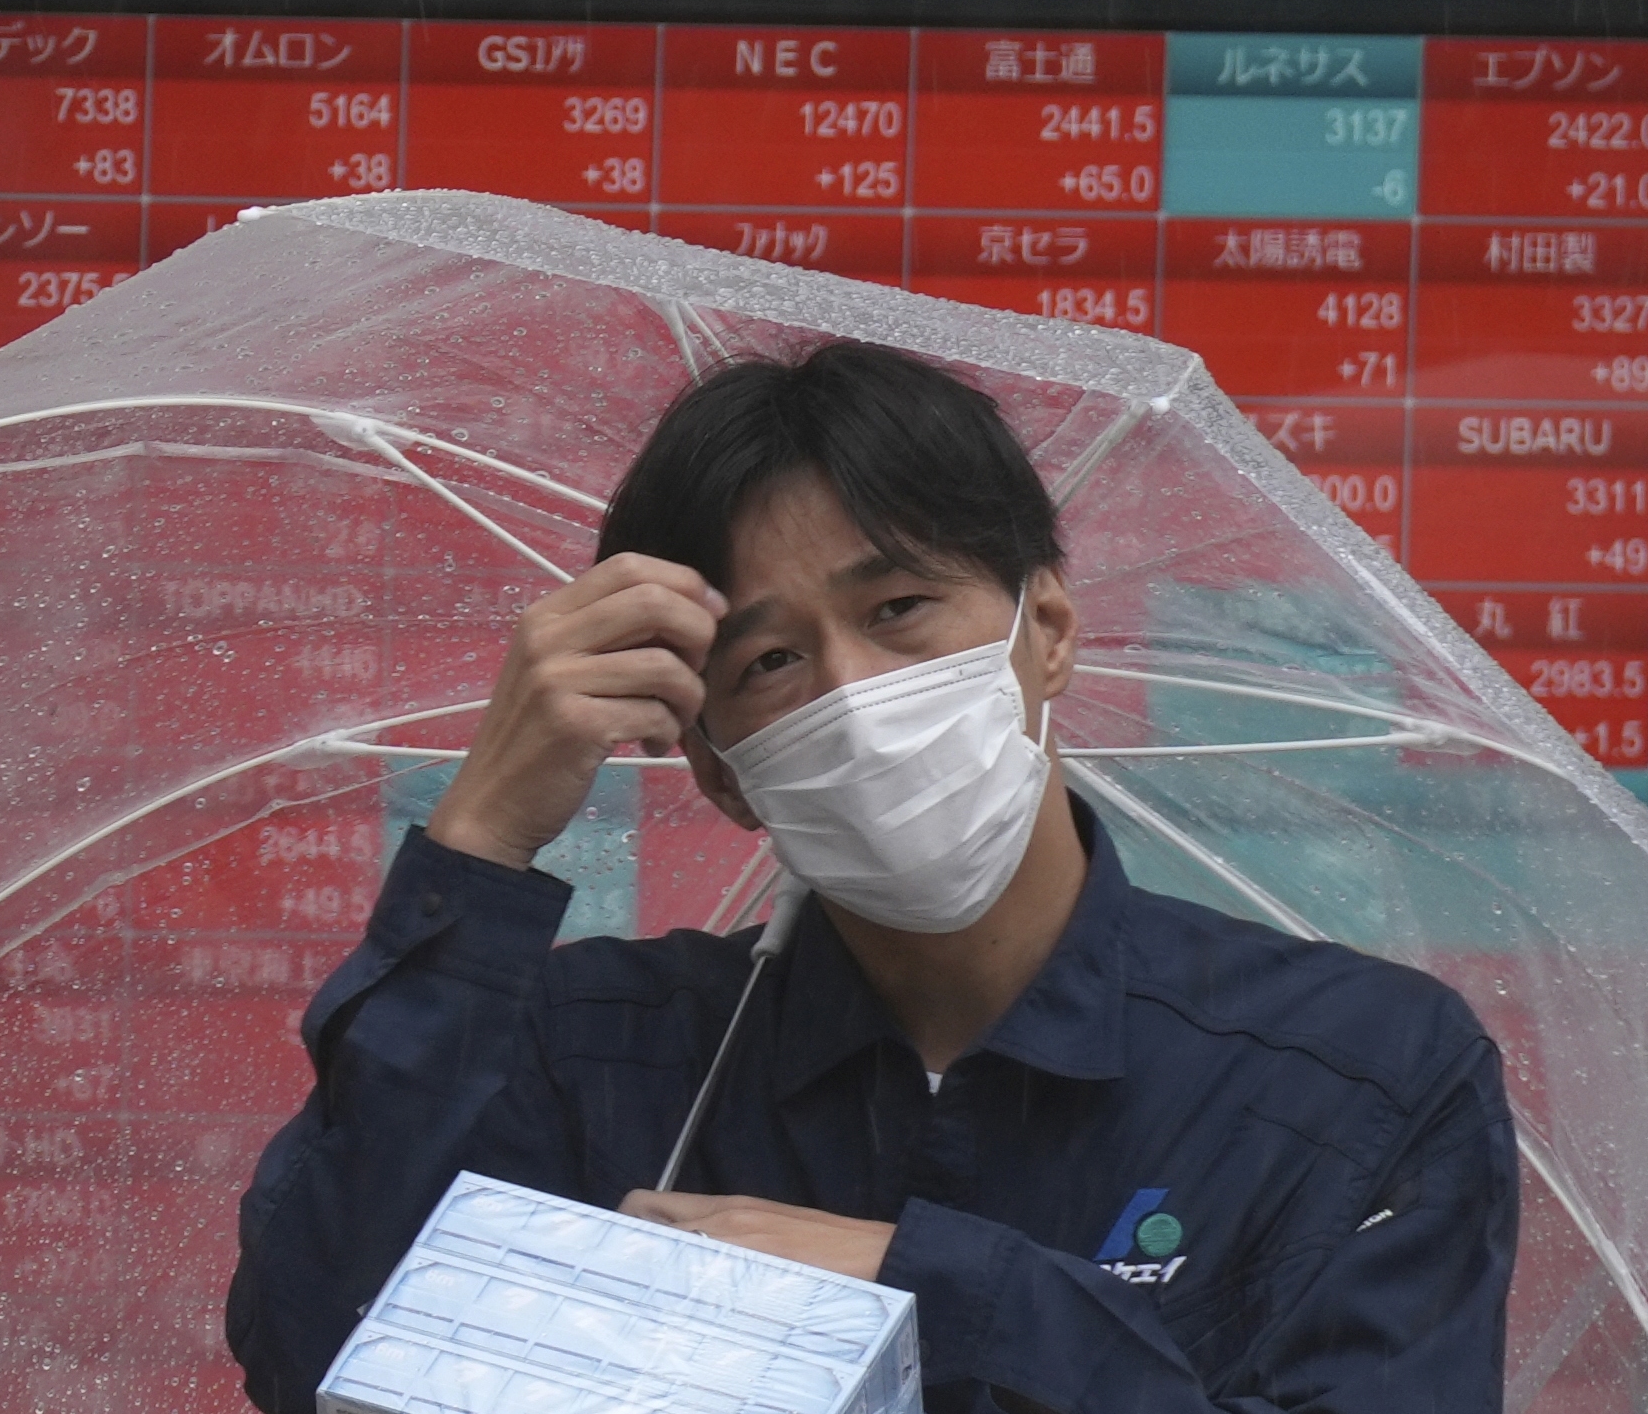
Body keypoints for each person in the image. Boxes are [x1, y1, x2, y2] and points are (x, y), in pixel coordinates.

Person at [228, 342, 1518, 1412]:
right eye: (770, 663)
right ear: (723, 773)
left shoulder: (1357, 1077)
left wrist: (928, 1288)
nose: (852, 694)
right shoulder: (597, 1059)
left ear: (1046, 633)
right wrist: (484, 835)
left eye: (900, 609)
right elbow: (314, 1350)